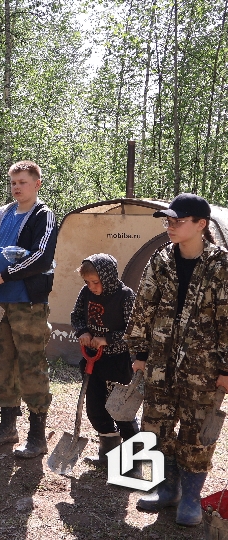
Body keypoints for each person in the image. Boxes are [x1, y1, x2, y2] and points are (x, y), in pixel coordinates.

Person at [126, 193, 228, 527]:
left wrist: (227, 368)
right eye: (168, 220)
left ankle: (191, 498)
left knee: (197, 432)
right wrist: (140, 354)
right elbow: (143, 307)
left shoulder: (221, 265)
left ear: (201, 225)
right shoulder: (161, 260)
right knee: (156, 424)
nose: (171, 226)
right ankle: (167, 489)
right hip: (160, 361)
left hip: (205, 368)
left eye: (178, 221)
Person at [0, 160, 58, 458]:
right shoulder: (1, 214)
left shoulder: (43, 215)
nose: (17, 187)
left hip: (27, 302)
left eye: (23, 182)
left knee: (31, 364)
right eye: (13, 182)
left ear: (37, 184)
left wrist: (2, 276)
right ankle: (7, 427)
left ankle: (37, 436)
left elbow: (42, 258)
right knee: (1, 362)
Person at [69, 254, 138, 464]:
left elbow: (132, 330)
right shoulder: (86, 293)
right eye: (87, 282)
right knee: (96, 409)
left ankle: (133, 461)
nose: (91, 287)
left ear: (108, 278)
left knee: (120, 410)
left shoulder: (125, 296)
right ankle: (108, 455)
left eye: (95, 282)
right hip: (93, 361)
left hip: (117, 363)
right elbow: (77, 315)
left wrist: (106, 339)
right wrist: (82, 331)